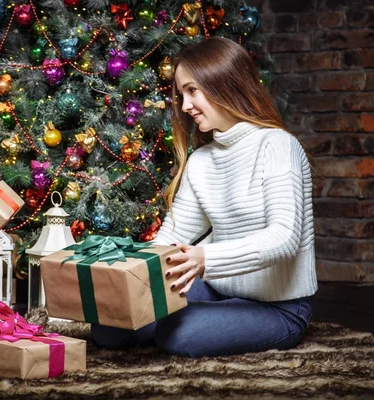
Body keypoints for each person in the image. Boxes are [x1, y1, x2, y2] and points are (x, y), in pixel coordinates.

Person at [91, 37, 317, 357]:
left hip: (279, 307)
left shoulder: (278, 145)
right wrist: (132, 274)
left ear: (225, 83)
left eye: (192, 90)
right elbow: (173, 234)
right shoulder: (202, 160)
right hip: (218, 290)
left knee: (177, 335)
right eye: (182, 94)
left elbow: (284, 238)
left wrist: (204, 259)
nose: (185, 105)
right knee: (110, 327)